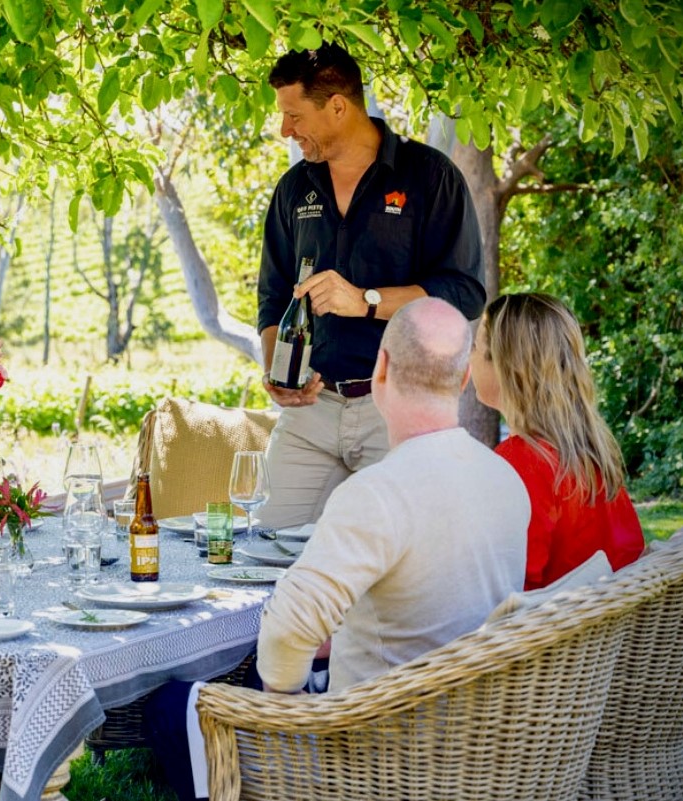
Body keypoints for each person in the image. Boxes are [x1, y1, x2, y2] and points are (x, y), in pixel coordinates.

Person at [147, 299, 529, 801]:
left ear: (381, 368)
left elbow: (284, 641)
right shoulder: (504, 477)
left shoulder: (377, 493)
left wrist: (283, 710)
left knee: (168, 707)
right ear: (461, 381)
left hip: (364, 758)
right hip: (463, 743)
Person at [255, 42, 486, 528]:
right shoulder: (293, 188)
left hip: (398, 411)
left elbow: (463, 292)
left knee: (400, 567)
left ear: (337, 106)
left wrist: (365, 301)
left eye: (294, 116)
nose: (285, 130)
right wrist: (278, 372)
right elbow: (274, 295)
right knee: (266, 547)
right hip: (310, 414)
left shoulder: (430, 177)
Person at [469, 292, 643, 589]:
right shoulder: (590, 453)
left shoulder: (520, 465)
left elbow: (507, 589)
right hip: (602, 630)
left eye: (474, 347)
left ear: (507, 368)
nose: (468, 357)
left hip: (548, 633)